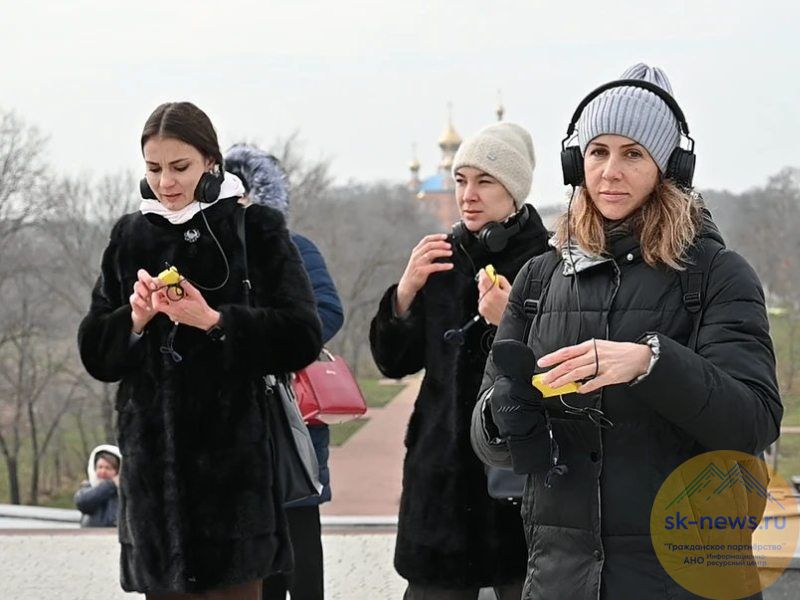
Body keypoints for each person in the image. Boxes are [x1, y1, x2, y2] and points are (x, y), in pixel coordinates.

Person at [472, 64, 783, 599]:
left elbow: (753, 421)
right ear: (576, 162)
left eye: (633, 154)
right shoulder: (539, 278)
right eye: (598, 152)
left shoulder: (717, 275)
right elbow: (487, 440)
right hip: (560, 582)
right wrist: (505, 414)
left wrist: (652, 364)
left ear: (668, 167)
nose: (610, 172)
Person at [77, 102, 322, 600]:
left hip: (235, 491)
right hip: (154, 496)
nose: (166, 182)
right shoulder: (129, 236)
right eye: (154, 168)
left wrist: (213, 322)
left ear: (212, 163)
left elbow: (303, 336)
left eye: (180, 167)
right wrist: (136, 319)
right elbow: (96, 355)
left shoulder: (257, 229)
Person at [370, 122, 550, 599]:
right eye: (460, 180)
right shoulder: (441, 259)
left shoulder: (551, 265)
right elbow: (392, 362)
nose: (468, 195)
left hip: (519, 491)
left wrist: (507, 321)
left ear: (513, 189)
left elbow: (562, 373)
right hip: (440, 490)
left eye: (484, 181)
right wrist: (405, 293)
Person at [225, 143, 345, 600]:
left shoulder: (295, 247)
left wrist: (267, 339)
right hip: (231, 424)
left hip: (287, 415)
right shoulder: (209, 257)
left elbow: (327, 314)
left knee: (300, 553)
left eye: (246, 195)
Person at [74, 444, 122, 528]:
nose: (103, 471)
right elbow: (82, 502)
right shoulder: (88, 487)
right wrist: (110, 485)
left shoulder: (125, 492)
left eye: (108, 468)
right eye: (100, 467)